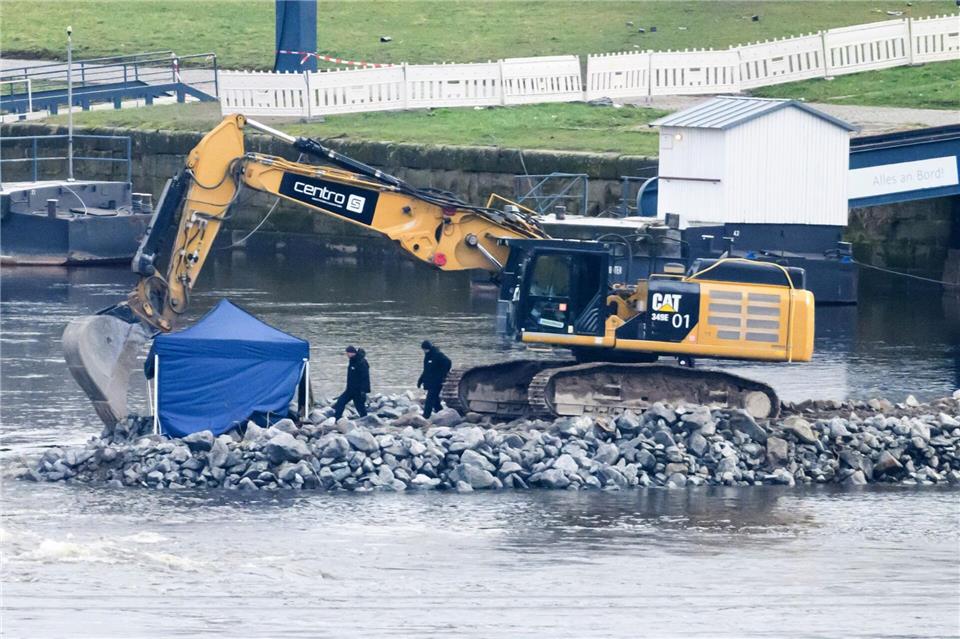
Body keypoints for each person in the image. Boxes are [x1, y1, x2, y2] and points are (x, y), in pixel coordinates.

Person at [417, 340, 452, 418]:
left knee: (429, 399)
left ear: (428, 348)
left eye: (425, 349)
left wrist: (443, 374)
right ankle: (440, 412)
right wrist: (420, 380)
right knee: (435, 399)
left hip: (437, 382)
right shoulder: (427, 356)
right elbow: (426, 370)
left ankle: (426, 416)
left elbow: (448, 362)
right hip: (430, 381)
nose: (424, 351)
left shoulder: (438, 354)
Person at [333, 345, 370, 420]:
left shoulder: (362, 362)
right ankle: (337, 419)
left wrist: (364, 390)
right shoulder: (352, 360)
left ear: (352, 353)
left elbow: (365, 377)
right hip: (350, 389)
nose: (347, 355)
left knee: (360, 407)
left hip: (358, 391)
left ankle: (366, 420)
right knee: (340, 402)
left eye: (348, 353)